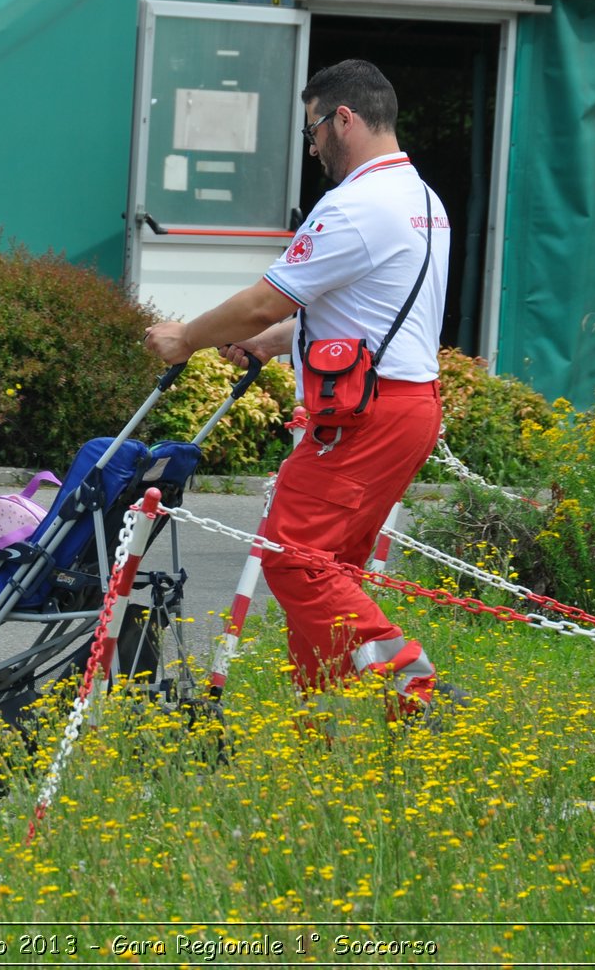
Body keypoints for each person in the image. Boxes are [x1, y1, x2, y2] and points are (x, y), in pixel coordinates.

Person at [143, 59, 457, 723]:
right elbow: (357, 312)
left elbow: (261, 300)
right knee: (333, 569)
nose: (311, 145)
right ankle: (326, 722)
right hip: (407, 405)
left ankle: (408, 677)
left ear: (345, 118)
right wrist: (275, 341)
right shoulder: (422, 200)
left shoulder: (354, 205)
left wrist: (186, 338)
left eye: (313, 127)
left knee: (291, 557)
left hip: (365, 413)